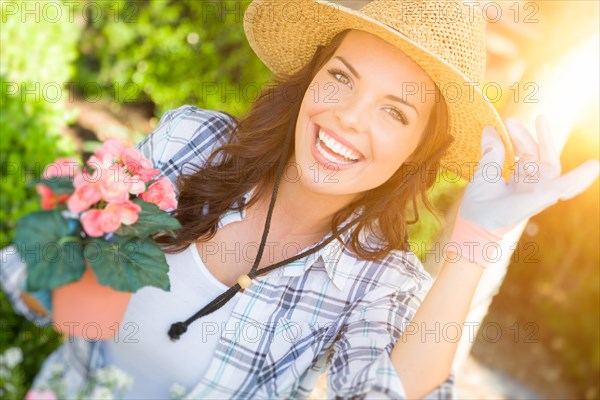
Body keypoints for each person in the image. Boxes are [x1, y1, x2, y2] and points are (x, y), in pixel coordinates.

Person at [2, 0, 598, 399]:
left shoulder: (377, 281)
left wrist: (475, 240)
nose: (345, 119)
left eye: (395, 111)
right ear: (312, 77)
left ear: (417, 152)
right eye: (341, 77)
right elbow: (32, 288)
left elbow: (383, 389)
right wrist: (73, 256)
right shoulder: (195, 143)